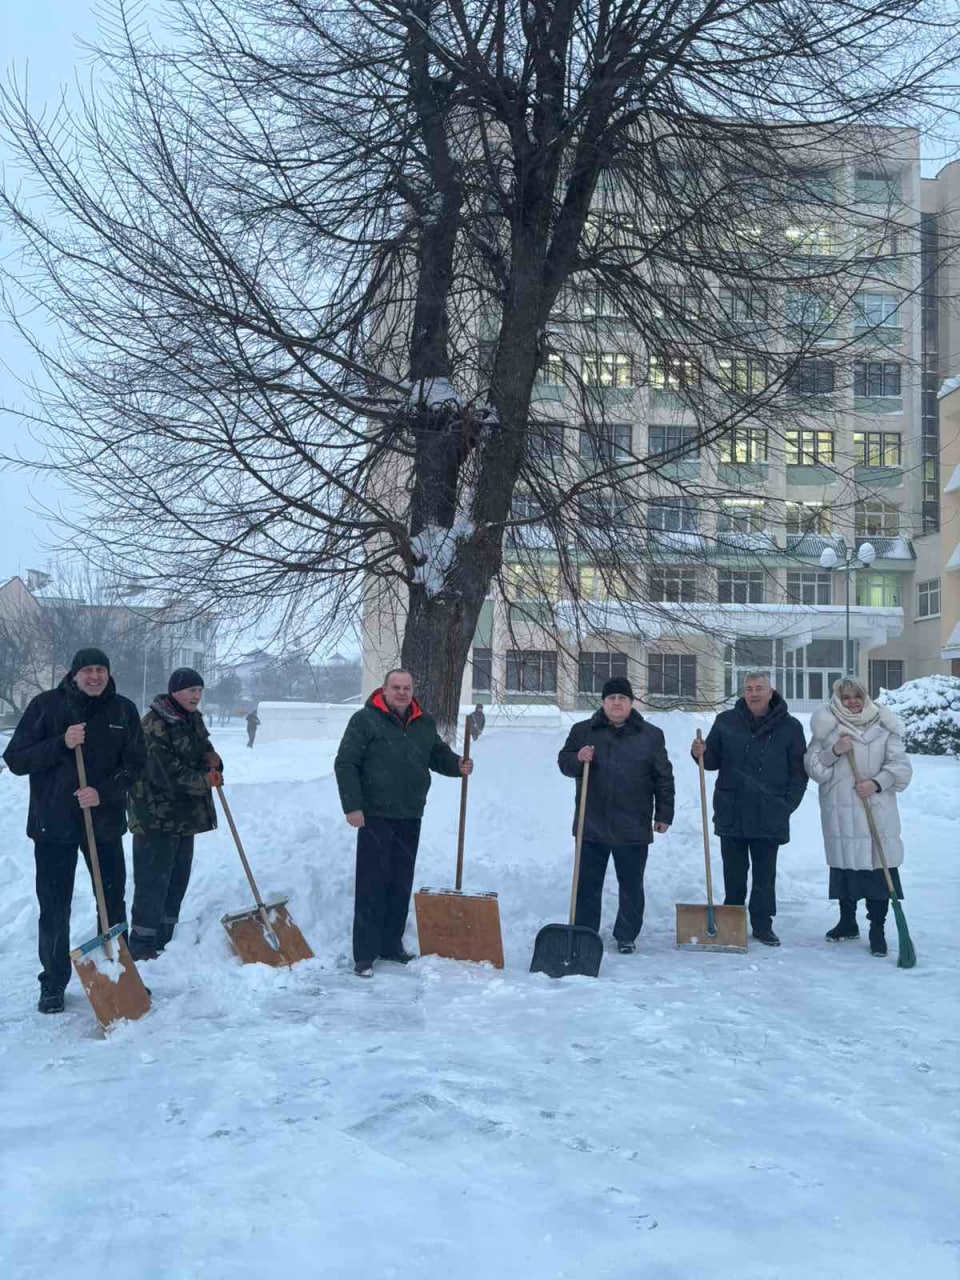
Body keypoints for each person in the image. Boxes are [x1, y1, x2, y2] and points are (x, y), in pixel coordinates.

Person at [3, 648, 146, 1013]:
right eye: (88, 670)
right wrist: (60, 743)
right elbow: (16, 759)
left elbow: (136, 763)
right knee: (54, 907)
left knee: (112, 903)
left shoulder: (123, 710)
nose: (95, 676)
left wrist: (104, 791)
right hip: (53, 825)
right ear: (74, 673)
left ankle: (119, 975)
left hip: (104, 824)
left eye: (101, 669)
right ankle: (52, 983)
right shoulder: (47, 706)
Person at [335, 668, 473, 978]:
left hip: (410, 814)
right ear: (383, 690)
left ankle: (391, 945)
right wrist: (353, 806)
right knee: (371, 884)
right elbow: (345, 763)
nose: (401, 692)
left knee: (400, 882)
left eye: (406, 687)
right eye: (395, 687)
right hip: (375, 815)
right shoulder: (365, 720)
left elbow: (436, 754)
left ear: (413, 690)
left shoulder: (422, 722)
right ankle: (365, 954)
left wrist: (457, 765)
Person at [558, 676, 674, 953]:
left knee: (631, 885)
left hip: (633, 822)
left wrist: (664, 813)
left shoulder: (651, 735)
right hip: (592, 821)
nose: (617, 702)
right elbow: (564, 762)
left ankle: (626, 934)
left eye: (622, 698)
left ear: (631, 702)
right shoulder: (582, 731)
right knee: (587, 884)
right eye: (612, 698)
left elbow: (663, 777)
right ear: (603, 702)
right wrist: (577, 758)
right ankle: (585, 932)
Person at [690, 671, 807, 946]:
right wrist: (699, 752)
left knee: (765, 874)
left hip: (770, 811)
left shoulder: (789, 727)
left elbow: (799, 772)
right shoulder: (726, 721)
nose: (754, 693)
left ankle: (763, 925)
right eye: (749, 688)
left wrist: (787, 805)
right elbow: (712, 760)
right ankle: (733, 921)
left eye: (759, 688)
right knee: (734, 873)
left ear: (771, 691)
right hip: (732, 809)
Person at [804, 676, 912, 957]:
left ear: (865, 697)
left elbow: (901, 769)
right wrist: (833, 752)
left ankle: (877, 929)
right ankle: (847, 922)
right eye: (846, 697)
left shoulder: (885, 726)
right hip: (840, 813)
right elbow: (814, 769)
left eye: (857, 696)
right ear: (838, 700)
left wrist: (876, 783)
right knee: (845, 870)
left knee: (879, 873)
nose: (852, 702)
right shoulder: (826, 729)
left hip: (876, 811)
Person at [126, 668, 222, 961]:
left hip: (184, 816)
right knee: (153, 881)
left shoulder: (191, 719)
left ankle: (165, 939)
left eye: (200, 691)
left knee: (177, 878)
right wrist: (203, 780)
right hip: (155, 816)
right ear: (175, 692)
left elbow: (201, 749)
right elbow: (162, 772)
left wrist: (213, 759)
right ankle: (142, 944)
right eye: (191, 690)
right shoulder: (155, 724)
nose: (196, 696)